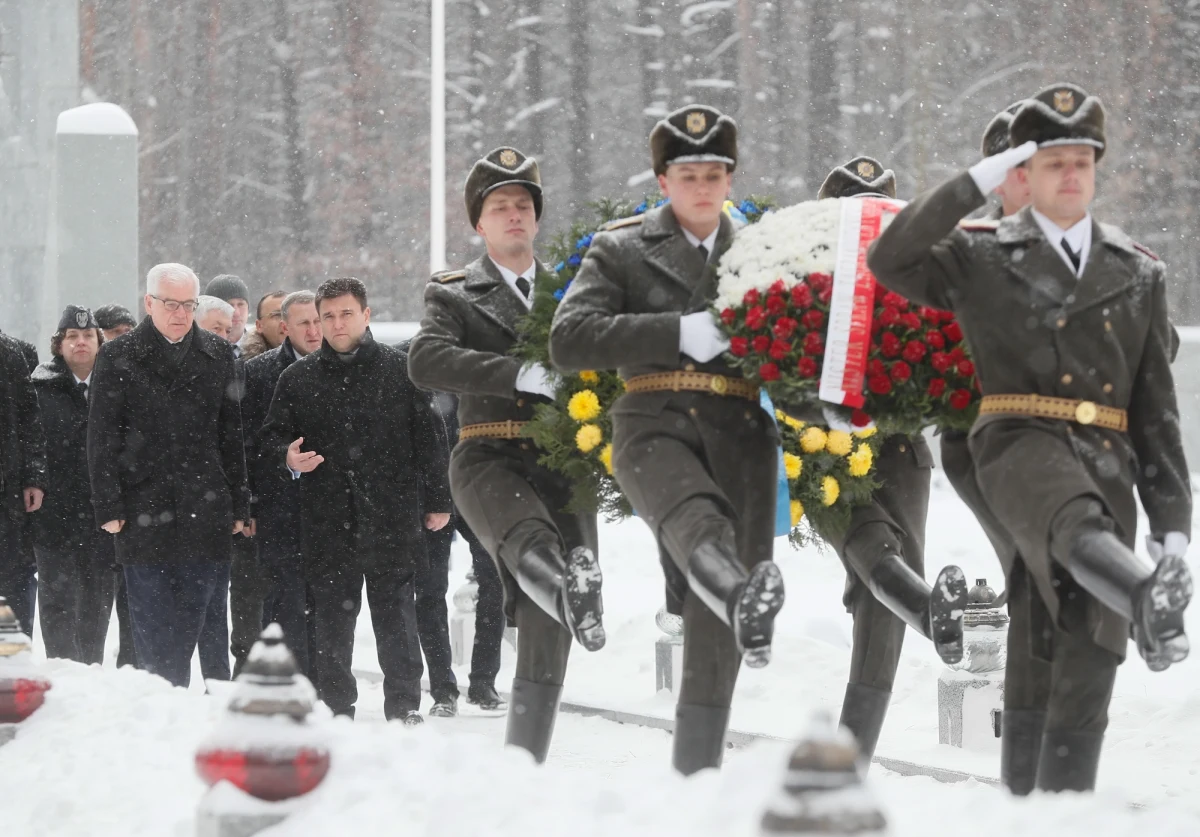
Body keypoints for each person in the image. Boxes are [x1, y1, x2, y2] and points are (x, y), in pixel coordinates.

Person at [867, 83, 1192, 793]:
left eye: (1082, 160)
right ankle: (1145, 596)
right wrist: (978, 180)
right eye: (1052, 162)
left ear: (1097, 168)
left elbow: (1156, 411)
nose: (1069, 174)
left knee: (1077, 640)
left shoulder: (1137, 270)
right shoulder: (980, 253)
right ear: (1025, 174)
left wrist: (1172, 529)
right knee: (1069, 516)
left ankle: (1043, 803)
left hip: (1107, 459)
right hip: (1015, 442)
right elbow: (891, 257)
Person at [549, 106, 785, 775]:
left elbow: (794, 348)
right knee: (695, 521)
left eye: (715, 174)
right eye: (689, 174)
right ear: (663, 180)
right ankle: (741, 594)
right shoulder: (622, 247)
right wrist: (675, 332)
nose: (703, 186)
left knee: (719, 631)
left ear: (731, 178)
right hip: (652, 420)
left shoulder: (762, 252)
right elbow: (570, 337)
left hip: (742, 432)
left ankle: (696, 773)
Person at [409, 147, 604, 759]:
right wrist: (517, 373)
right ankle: (568, 577)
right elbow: (425, 359)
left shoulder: (572, 290)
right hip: (489, 453)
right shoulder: (457, 293)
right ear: (480, 223)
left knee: (555, 621)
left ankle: (527, 755)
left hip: (564, 463)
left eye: (523, 205)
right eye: (500, 206)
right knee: (532, 542)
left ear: (536, 218)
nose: (514, 214)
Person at [811, 157, 968, 768]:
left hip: (900, 449)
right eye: (856, 208)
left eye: (879, 207)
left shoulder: (914, 286)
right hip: (818, 452)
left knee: (883, 601)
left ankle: (854, 755)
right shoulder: (805, 280)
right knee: (871, 541)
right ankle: (933, 614)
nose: (870, 220)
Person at [261, 277, 451, 725]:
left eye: (346, 313)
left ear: (366, 315)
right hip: (328, 518)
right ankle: (335, 704)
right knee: (332, 620)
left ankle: (404, 704)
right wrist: (287, 457)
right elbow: (271, 436)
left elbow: (431, 441)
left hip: (392, 516)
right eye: (328, 315)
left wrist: (439, 499)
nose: (337, 322)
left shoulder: (401, 371)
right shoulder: (298, 378)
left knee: (397, 618)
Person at [88, 263, 249, 688]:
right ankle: (164, 708)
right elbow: (101, 437)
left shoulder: (216, 355)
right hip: (142, 509)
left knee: (197, 617)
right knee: (155, 629)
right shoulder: (119, 355)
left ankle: (180, 709)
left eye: (188, 305)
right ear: (149, 303)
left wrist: (239, 503)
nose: (180, 313)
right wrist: (109, 504)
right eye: (170, 304)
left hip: (206, 508)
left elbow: (231, 436)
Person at [242, 290, 322, 678]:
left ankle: (327, 688)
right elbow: (248, 443)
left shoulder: (342, 368)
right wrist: (254, 502)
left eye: (318, 320)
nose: (314, 330)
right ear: (285, 327)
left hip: (331, 510)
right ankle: (292, 683)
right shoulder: (258, 374)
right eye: (304, 322)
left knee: (329, 608)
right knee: (284, 604)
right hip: (279, 508)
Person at [31, 306, 115, 663]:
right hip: (55, 516)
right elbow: (31, 445)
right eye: (72, 336)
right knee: (57, 600)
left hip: (103, 514)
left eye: (87, 336)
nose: (80, 343)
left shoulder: (115, 386)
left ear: (99, 341)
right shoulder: (39, 389)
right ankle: (63, 671)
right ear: (59, 344)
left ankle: (91, 670)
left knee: (97, 600)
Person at [92, 302, 138, 667]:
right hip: (86, 513)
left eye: (126, 334)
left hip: (133, 505)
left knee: (133, 603)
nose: (118, 344)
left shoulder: (135, 375)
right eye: (111, 335)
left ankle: (131, 668)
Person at [0, 329, 46, 638]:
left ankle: (8, 662)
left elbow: (31, 420)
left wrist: (33, 477)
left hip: (7, 495)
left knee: (11, 582)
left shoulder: (9, 353)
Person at [205, 275, 251, 355]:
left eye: (241, 304)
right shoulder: (193, 353)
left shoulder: (265, 352)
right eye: (228, 305)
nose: (236, 313)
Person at [248, 290, 288, 357]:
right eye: (277, 315)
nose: (285, 321)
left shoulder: (310, 363)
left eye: (290, 314)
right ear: (259, 326)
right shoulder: (245, 366)